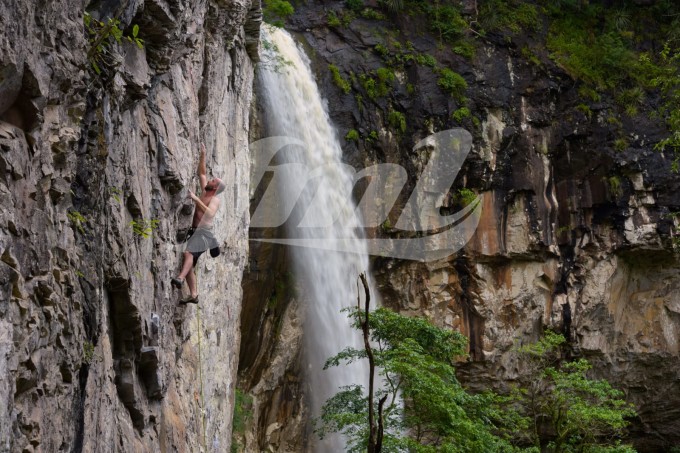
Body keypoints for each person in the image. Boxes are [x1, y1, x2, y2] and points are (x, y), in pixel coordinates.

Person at [171, 143, 226, 304]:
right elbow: (201, 173)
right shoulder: (205, 191)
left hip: (203, 234)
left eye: (213, 180)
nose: (209, 179)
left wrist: (195, 200)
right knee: (190, 265)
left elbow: (210, 213)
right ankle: (194, 295)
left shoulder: (215, 199)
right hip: (194, 231)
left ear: (215, 187)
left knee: (188, 254)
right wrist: (203, 153)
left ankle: (180, 279)